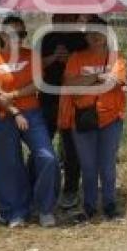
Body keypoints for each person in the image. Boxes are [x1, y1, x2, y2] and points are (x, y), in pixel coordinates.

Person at [0, 14, 59, 228]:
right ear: (2, 36)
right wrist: (15, 111)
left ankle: (44, 207)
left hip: (32, 114)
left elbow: (37, 84)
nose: (17, 38)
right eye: (12, 34)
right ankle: (15, 212)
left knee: (47, 157)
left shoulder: (32, 56)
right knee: (7, 165)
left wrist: (14, 95)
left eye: (22, 34)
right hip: (4, 116)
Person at [59, 15, 126, 220]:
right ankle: (89, 206)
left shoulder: (117, 58)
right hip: (83, 118)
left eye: (100, 32)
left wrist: (85, 82)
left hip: (110, 119)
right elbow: (71, 86)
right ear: (85, 36)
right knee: (88, 165)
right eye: (91, 33)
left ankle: (109, 204)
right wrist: (97, 77)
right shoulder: (76, 58)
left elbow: (115, 82)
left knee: (106, 165)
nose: (96, 36)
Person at [38, 13, 87, 210]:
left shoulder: (82, 40)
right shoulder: (46, 38)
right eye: (57, 18)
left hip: (72, 99)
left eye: (66, 18)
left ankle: (71, 190)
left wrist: (69, 60)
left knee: (71, 147)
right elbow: (36, 65)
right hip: (48, 98)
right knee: (42, 145)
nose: (60, 21)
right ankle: (41, 187)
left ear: (75, 20)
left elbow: (86, 68)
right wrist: (53, 58)